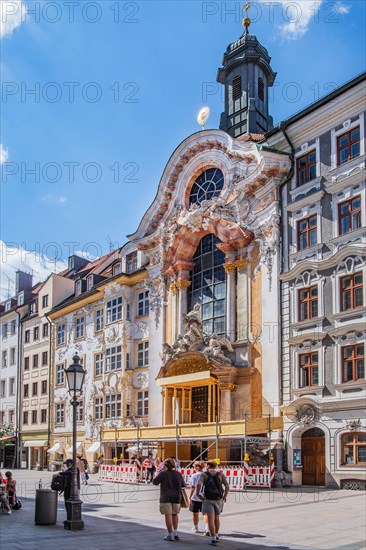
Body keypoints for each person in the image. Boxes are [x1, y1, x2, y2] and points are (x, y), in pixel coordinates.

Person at [195, 460, 229, 546]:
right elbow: (227, 486)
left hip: (208, 498)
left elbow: (199, 484)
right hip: (218, 498)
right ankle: (216, 534)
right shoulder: (220, 474)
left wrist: (198, 494)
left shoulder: (204, 474)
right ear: (216, 466)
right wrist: (224, 496)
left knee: (210, 518)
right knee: (217, 517)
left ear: (208, 466)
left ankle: (213, 537)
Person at [153, 457, 186, 542]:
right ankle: (175, 533)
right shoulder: (178, 474)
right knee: (175, 514)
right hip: (177, 496)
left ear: (165, 465)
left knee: (168, 515)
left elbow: (155, 482)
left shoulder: (163, 473)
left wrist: (160, 471)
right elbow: (183, 485)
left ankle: (169, 534)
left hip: (166, 496)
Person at [189, 461, 208, 534]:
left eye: (194, 466)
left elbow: (193, 487)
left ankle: (195, 527)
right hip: (204, 496)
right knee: (205, 513)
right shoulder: (206, 475)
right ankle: (207, 528)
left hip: (195, 497)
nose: (194, 468)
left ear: (197, 467)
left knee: (195, 513)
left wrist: (189, 497)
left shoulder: (194, 475)